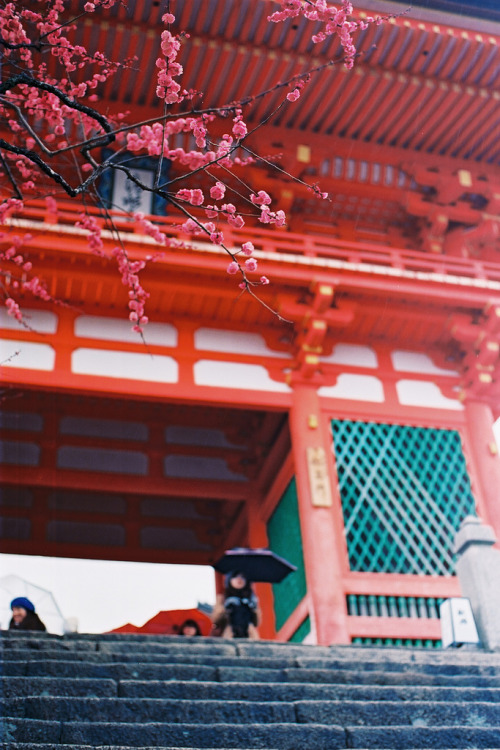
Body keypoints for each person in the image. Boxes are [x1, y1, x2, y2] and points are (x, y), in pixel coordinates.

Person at [212, 571, 261, 639]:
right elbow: (216, 620)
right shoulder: (223, 597)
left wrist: (254, 609)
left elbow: (256, 623)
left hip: (249, 634)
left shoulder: (251, 598)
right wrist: (225, 609)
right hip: (230, 633)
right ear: (230, 580)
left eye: (242, 577)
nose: (239, 579)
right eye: (235, 577)